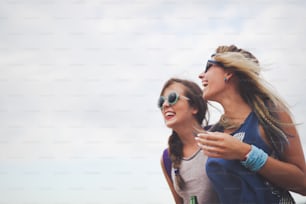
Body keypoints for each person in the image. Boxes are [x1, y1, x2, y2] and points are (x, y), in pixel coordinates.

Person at [197, 45, 306, 203]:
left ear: (228, 72)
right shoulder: (216, 132)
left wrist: (245, 152)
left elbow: (303, 184)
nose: (201, 75)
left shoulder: (270, 113)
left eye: (208, 67)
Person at [158, 78, 219, 204]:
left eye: (172, 98)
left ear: (194, 107)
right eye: (161, 101)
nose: (165, 105)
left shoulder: (220, 137)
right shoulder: (167, 158)